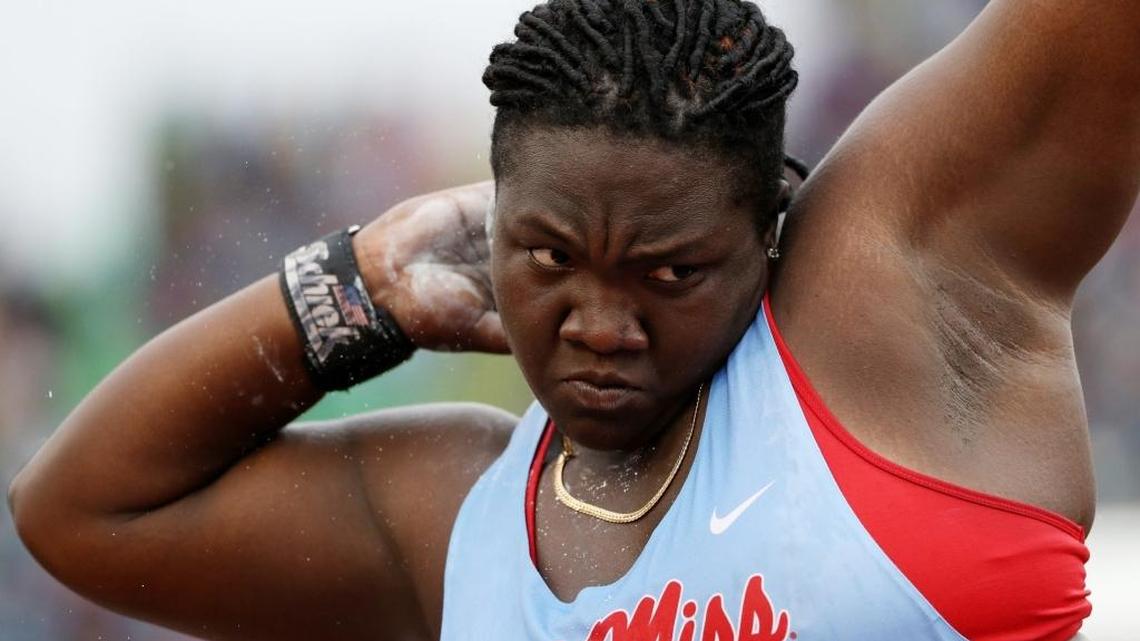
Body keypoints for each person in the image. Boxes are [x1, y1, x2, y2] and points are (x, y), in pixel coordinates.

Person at [8, 1, 1138, 639]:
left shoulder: (893, 306)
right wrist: (363, 281)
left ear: (772, 229)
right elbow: (79, 508)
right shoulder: (456, 525)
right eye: (547, 256)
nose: (601, 322)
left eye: (670, 272)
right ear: (488, 223)